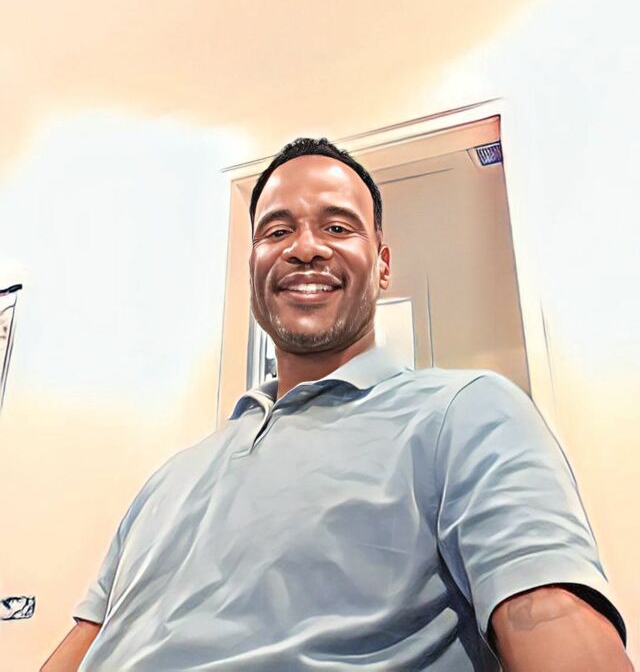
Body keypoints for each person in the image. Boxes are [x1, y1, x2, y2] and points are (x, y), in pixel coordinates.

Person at [42, 138, 631, 671]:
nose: (305, 248)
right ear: (253, 266)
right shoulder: (167, 480)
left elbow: (549, 613)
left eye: (338, 227)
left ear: (383, 265)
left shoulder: (465, 412)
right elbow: (88, 639)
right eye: (277, 231)